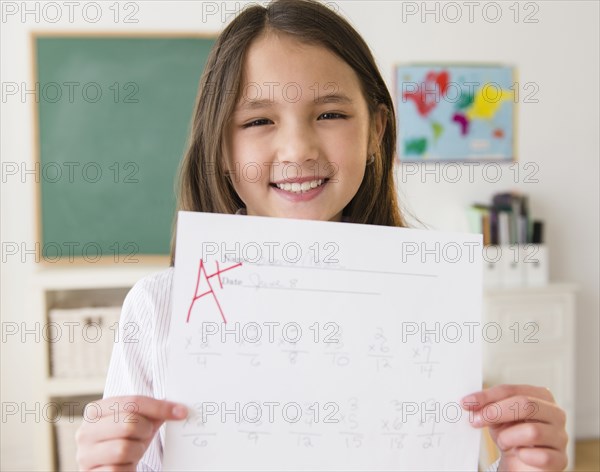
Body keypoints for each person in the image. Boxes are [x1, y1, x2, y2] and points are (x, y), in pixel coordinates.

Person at [75, 1, 568, 470]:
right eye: (258, 120)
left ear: (376, 131)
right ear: (221, 148)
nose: (298, 148)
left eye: (331, 114)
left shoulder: (426, 303)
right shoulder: (159, 309)